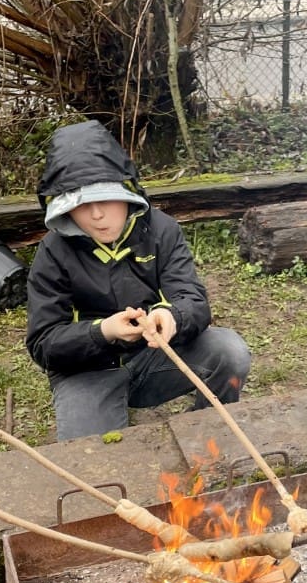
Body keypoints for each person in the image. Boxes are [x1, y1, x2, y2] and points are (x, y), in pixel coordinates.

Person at [25, 120, 251, 441]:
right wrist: (104, 331)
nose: (97, 215)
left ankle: (208, 431)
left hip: (154, 358)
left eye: (105, 198)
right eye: (81, 204)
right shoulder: (53, 252)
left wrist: (172, 317)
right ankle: (102, 412)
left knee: (230, 351)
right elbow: (44, 343)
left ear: (126, 191)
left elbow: (194, 300)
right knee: (91, 456)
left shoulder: (161, 230)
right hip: (87, 372)